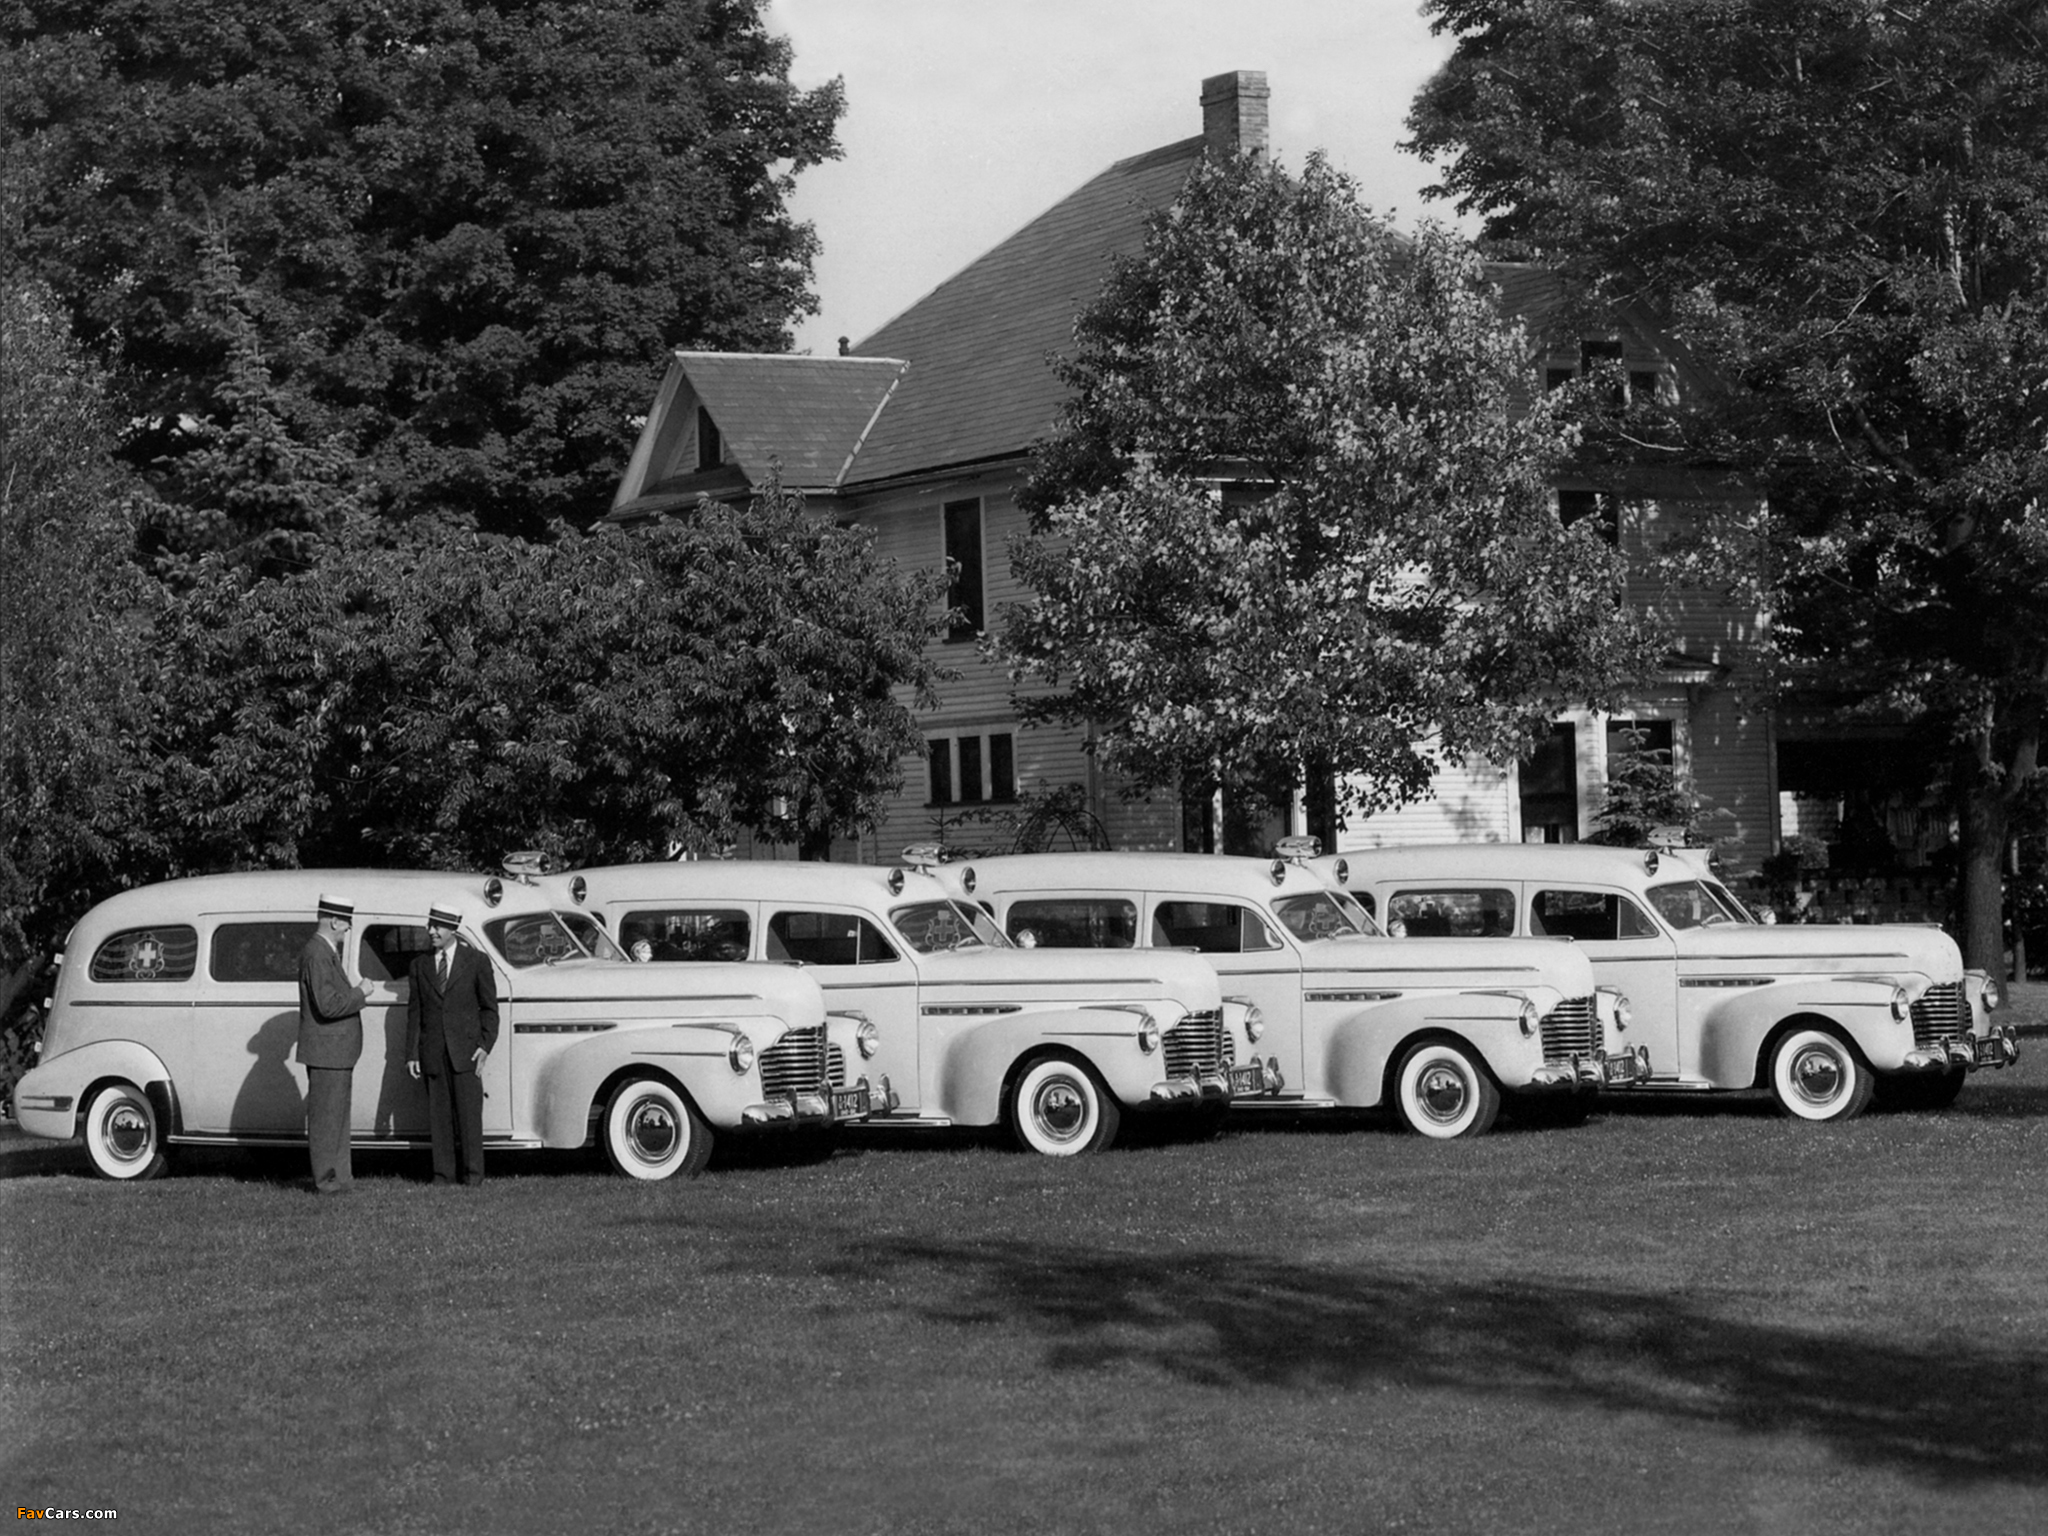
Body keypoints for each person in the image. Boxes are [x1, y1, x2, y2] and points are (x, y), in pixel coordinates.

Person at [406, 899, 500, 1186]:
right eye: (430, 925)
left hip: (467, 1053)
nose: (431, 931)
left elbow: (490, 1008)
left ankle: (473, 1176)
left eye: (437, 926)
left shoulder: (477, 961)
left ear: (452, 929)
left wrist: (484, 1045)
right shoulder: (419, 965)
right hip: (433, 1051)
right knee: (439, 1117)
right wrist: (412, 1053)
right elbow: (416, 1012)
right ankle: (442, 1175)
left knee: (470, 1117)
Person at [298, 892, 372, 1195]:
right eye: (346, 923)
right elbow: (327, 1005)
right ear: (334, 920)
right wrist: (360, 993)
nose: (347, 930)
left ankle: (340, 1179)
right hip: (328, 1052)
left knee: (337, 1120)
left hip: (336, 1053)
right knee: (328, 1122)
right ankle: (328, 1181)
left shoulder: (323, 952)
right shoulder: (317, 953)